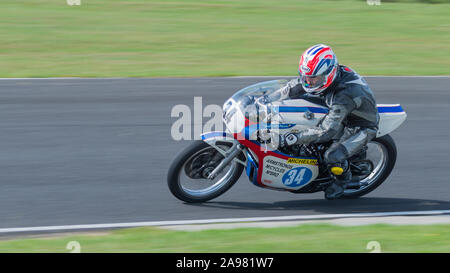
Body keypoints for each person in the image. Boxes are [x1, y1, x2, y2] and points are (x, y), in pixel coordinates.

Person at [270, 44, 379, 199]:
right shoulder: (319, 79)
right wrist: (267, 98)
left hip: (358, 125)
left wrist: (292, 138)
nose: (309, 82)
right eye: (306, 77)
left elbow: (328, 130)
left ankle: (343, 179)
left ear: (329, 74)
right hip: (338, 110)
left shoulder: (344, 94)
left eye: (314, 78)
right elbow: (292, 88)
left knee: (332, 156)